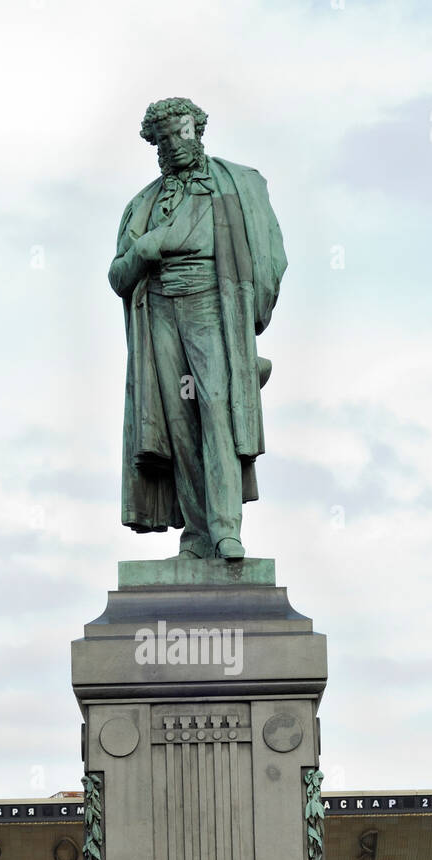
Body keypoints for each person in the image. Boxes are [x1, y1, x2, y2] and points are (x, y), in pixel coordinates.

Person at [108, 98, 287, 561]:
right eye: (163, 139)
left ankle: (227, 530)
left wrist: (249, 325)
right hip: (160, 310)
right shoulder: (143, 204)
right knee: (179, 423)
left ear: (198, 131)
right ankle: (197, 534)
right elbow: (117, 278)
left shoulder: (239, 184)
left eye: (181, 133)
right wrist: (144, 251)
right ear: (155, 144)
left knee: (217, 411)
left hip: (213, 303)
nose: (174, 144)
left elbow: (270, 257)